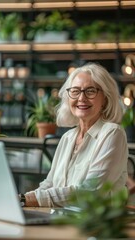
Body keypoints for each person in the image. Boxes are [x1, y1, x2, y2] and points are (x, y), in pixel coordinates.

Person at [20, 62, 128, 207]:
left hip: (96, 225)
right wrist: (23, 199)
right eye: (75, 91)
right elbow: (49, 183)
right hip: (61, 220)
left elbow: (91, 191)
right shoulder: (67, 137)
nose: (81, 98)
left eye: (90, 91)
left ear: (105, 99)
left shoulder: (112, 133)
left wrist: (28, 199)